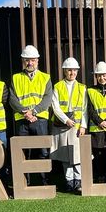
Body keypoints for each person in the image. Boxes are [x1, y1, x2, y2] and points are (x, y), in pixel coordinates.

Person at [10, 45, 52, 185]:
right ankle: (24, 183)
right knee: (23, 153)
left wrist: (33, 112)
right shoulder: (15, 78)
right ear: (23, 60)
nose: (30, 63)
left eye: (32, 60)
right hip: (22, 120)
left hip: (40, 119)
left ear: (37, 61)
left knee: (43, 152)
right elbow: (12, 99)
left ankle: (43, 181)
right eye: (27, 60)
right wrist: (25, 113)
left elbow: (47, 99)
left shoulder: (45, 78)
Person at [50, 57, 87, 192]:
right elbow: (55, 106)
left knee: (77, 155)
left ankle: (78, 180)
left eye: (74, 70)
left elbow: (84, 109)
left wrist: (83, 126)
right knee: (65, 155)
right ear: (65, 71)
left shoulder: (82, 88)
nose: (72, 73)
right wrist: (66, 120)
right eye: (69, 70)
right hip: (62, 125)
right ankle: (69, 181)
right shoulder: (58, 86)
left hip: (76, 127)